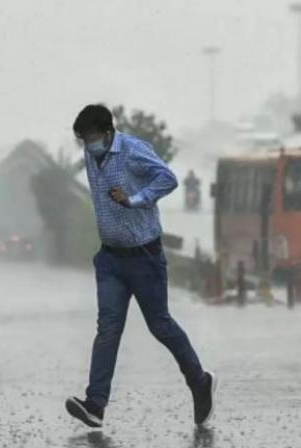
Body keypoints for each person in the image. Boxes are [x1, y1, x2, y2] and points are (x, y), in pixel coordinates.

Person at [65, 104, 216, 429]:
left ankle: (200, 382)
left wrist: (135, 198)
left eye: (91, 138)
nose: (88, 145)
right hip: (110, 259)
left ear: (107, 133)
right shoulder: (92, 156)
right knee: (107, 329)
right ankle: (96, 404)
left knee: (160, 325)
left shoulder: (133, 150)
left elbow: (168, 178)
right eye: (83, 139)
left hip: (144, 256)